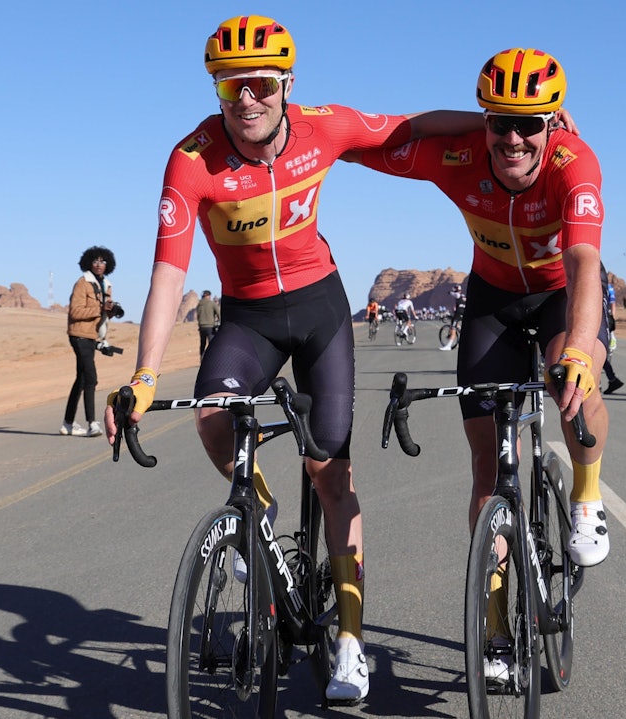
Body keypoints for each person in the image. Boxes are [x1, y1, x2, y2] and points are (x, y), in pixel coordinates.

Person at [103, 15, 486, 703]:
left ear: (286, 84)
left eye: (259, 84)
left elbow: (410, 127)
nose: (246, 99)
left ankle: (350, 643)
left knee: (331, 473)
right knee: (212, 417)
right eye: (230, 87)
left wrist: (497, 121)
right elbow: (168, 272)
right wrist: (144, 375)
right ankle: (257, 510)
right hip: (248, 318)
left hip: (319, 311)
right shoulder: (191, 159)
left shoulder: (323, 127)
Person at [354, 49, 612, 580]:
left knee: (573, 386)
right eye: (500, 122)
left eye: (529, 124)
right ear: (483, 120)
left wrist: (580, 354)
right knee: (486, 464)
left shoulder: (574, 163)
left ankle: (587, 498)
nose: (513, 139)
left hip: (560, 293)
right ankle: (491, 614)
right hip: (493, 299)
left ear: (551, 124)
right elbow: (373, 141)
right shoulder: (460, 155)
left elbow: (584, 261)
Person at [62, 246, 119, 438]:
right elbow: (75, 312)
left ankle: (67, 423)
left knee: (81, 380)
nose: (99, 265)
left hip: (92, 335)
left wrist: (110, 311)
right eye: (95, 261)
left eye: (103, 261)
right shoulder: (83, 283)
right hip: (79, 335)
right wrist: (100, 309)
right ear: (88, 263)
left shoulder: (106, 285)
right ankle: (92, 424)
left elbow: (103, 314)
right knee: (91, 378)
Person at [600, 263, 624, 394]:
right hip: (606, 320)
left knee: (595, 352)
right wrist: (611, 321)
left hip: (600, 320)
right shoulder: (608, 287)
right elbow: (612, 305)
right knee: (599, 352)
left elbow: (612, 305)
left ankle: (608, 380)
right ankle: (612, 379)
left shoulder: (599, 285)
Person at [440, 282, 467, 350]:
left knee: (453, 329)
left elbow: (451, 293)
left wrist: (449, 292)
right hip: (463, 312)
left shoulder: (457, 295)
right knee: (455, 323)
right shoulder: (464, 296)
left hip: (458, 313)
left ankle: (448, 346)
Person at [195, 289, 219, 358]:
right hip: (210, 327)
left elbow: (198, 315)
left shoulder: (199, 304)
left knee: (203, 344)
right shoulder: (211, 303)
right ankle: (212, 358)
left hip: (202, 327)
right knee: (212, 343)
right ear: (208, 296)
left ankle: (202, 359)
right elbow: (218, 313)